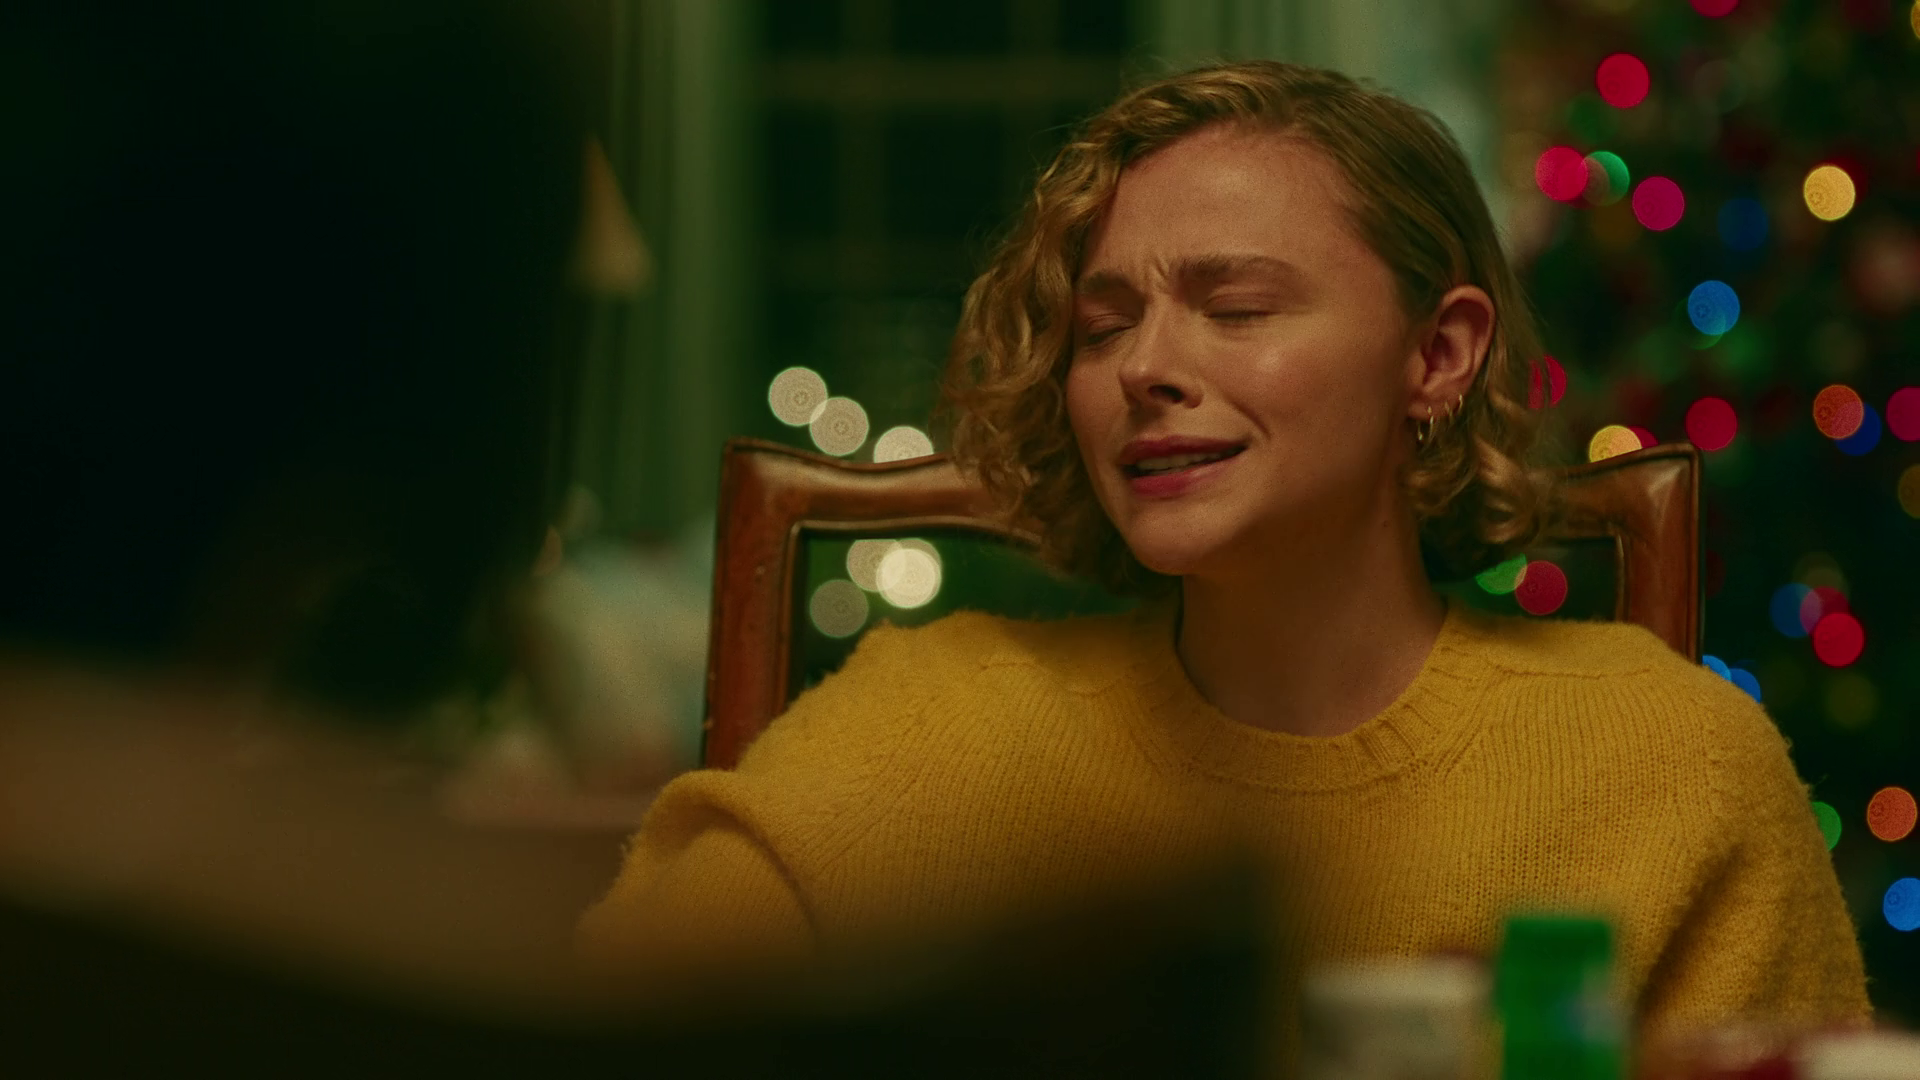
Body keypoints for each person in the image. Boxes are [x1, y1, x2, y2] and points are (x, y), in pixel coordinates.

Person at [578, 60, 1873, 1067]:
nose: (1144, 367)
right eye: (1103, 327)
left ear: (1438, 356)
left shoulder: (1671, 764)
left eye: (1238, 308)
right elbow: (602, 1035)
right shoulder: (926, 721)